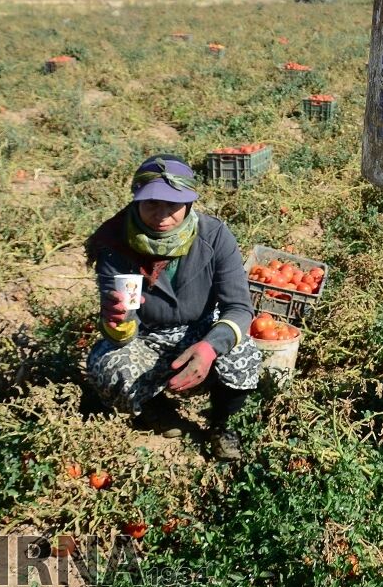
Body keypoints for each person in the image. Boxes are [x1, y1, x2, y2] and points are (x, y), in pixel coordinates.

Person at [84, 154, 262, 461]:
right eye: (151, 203)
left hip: (201, 329)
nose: (162, 215)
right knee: (106, 363)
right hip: (147, 336)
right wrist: (117, 323)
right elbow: (122, 328)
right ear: (136, 200)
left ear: (189, 205)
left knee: (244, 353)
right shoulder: (115, 244)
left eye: (173, 205)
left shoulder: (214, 236)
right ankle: (156, 409)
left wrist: (209, 348)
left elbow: (239, 308)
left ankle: (220, 423)